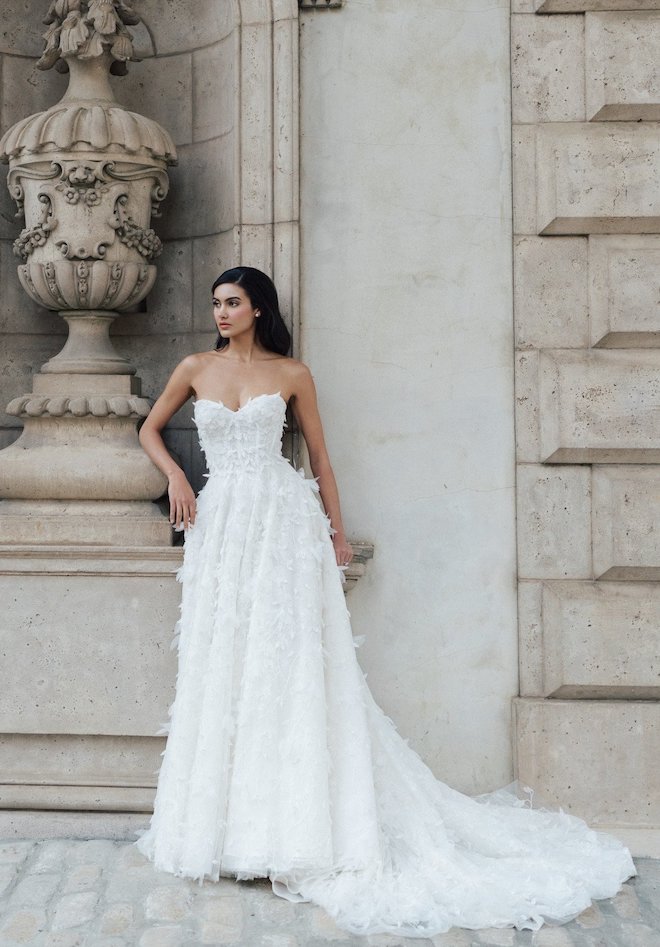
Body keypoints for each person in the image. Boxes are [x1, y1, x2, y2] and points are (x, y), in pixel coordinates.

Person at [134, 266, 635, 938]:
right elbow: (150, 430)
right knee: (222, 658)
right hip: (220, 524)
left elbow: (320, 457)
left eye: (233, 303)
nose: (221, 313)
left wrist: (336, 534)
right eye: (216, 303)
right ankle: (222, 830)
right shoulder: (195, 365)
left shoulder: (292, 374)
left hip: (283, 526)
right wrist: (176, 478)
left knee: (284, 667)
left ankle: (290, 831)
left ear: (259, 309)